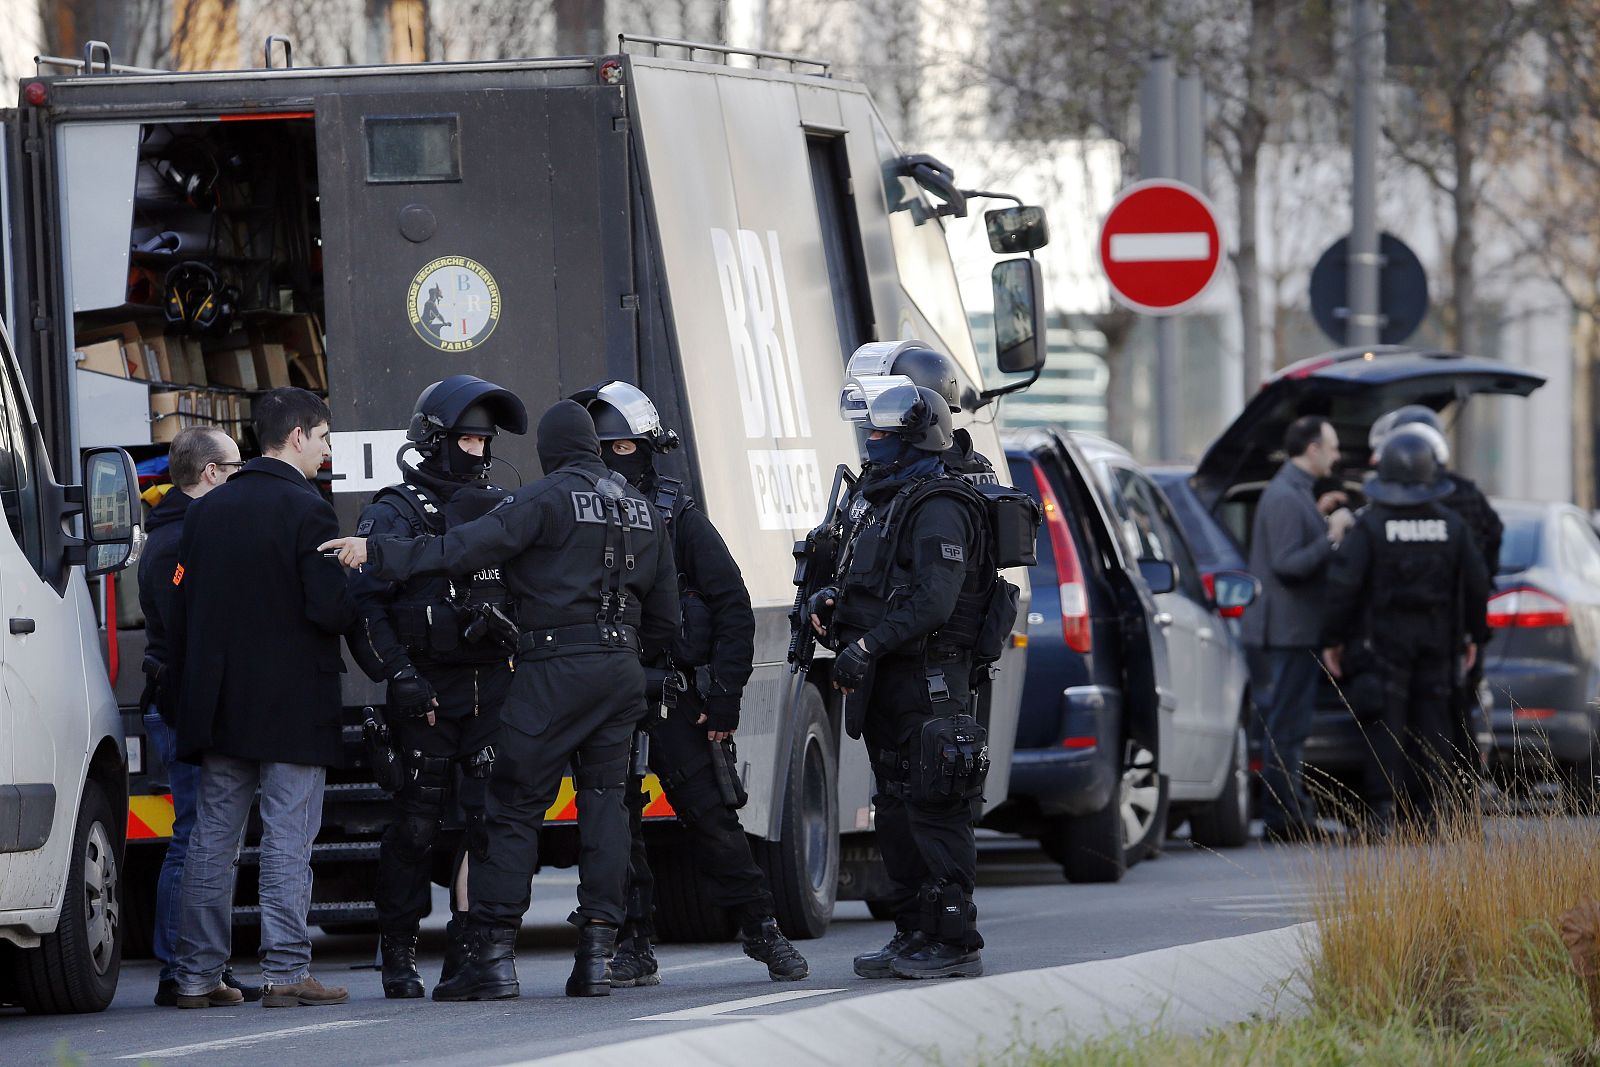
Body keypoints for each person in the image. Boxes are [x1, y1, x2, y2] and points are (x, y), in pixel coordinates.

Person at [321, 400, 679, 1002]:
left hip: (554, 669)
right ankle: (596, 958)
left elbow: (458, 550)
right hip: (621, 670)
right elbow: (666, 619)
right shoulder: (642, 508)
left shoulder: (542, 499)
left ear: (551, 450)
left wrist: (376, 552)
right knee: (605, 805)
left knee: (512, 807)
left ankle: (492, 960)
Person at [573, 380, 808, 986]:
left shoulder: (678, 517)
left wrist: (725, 696)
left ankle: (763, 929)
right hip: (605, 694)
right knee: (612, 825)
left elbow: (732, 605)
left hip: (671, 693)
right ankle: (632, 943)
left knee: (710, 818)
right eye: (601, 450)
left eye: (624, 448)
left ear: (649, 448)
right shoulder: (570, 513)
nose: (613, 462)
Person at [803, 370, 999, 980]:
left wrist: (868, 644)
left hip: (930, 681)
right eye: (871, 432)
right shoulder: (884, 503)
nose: (872, 443)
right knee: (894, 809)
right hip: (890, 682)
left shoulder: (940, 506)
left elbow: (934, 602)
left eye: (884, 434)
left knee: (936, 804)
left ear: (917, 439)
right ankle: (914, 930)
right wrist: (833, 602)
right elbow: (877, 586)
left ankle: (954, 939)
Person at [167, 388, 359, 1009]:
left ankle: (198, 977)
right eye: (323, 437)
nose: (326, 450)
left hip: (221, 703)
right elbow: (328, 609)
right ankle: (285, 972)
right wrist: (353, 580)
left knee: (213, 841)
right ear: (297, 436)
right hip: (292, 705)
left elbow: (185, 608)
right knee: (286, 839)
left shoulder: (206, 510)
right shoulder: (308, 510)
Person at [348, 375, 527, 999]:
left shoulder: (504, 508)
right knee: (416, 826)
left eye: (484, 441)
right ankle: (398, 953)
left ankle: (469, 952)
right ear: (434, 440)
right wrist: (398, 675)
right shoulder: (394, 511)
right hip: (423, 692)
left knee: (488, 824)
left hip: (491, 689)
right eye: (467, 440)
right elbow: (365, 606)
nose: (478, 452)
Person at [137, 426, 257, 1007]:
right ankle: (179, 967)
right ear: (211, 473)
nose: (241, 478)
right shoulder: (177, 542)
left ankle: (201, 965)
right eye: (235, 468)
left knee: (203, 836)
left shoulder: (182, 531)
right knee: (193, 837)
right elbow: (187, 635)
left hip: (186, 703)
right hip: (182, 706)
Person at [1322, 428, 1490, 833]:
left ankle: (1383, 814)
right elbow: (1477, 583)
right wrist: (1474, 637)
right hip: (1438, 642)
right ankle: (1433, 814)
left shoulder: (1371, 526)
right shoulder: (1452, 525)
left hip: (1383, 643)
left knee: (1385, 726)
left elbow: (1343, 586)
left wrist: (1333, 639)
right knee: (1435, 725)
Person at [1242, 415, 1355, 841]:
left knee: (1289, 727)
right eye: (1332, 446)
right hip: (1287, 633)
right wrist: (1332, 535)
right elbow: (1288, 564)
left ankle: (1290, 815)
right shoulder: (1285, 496)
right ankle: (1285, 820)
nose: (1337, 455)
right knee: (1286, 730)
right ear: (1312, 449)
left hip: (1292, 631)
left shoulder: (1296, 493)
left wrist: (1318, 515)